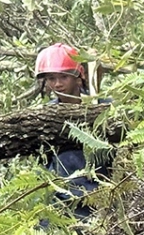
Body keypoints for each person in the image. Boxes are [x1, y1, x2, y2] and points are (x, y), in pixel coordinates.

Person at [35, 42, 109, 221]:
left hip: (104, 201)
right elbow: (43, 165)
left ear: (78, 77)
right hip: (64, 205)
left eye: (63, 77)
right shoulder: (45, 116)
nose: (58, 84)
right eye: (52, 79)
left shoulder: (105, 108)